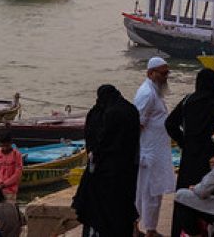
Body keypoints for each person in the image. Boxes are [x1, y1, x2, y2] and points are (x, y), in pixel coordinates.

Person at [165, 68, 214, 235]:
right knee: (210, 196)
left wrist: (183, 141)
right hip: (211, 156)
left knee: (184, 197)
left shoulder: (187, 101)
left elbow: (170, 123)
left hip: (189, 156)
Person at [73, 85, 141, 237]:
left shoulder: (103, 113)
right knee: (122, 210)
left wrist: (94, 154)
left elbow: (98, 142)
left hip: (104, 173)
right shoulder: (130, 110)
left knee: (99, 212)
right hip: (127, 170)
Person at [134, 57, 176, 237]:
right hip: (149, 153)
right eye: (163, 73)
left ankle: (151, 229)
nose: (166, 76)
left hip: (157, 152)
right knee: (143, 193)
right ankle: (135, 228)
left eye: (167, 73)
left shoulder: (155, 91)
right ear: (150, 74)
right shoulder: (147, 94)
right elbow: (137, 124)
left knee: (155, 192)